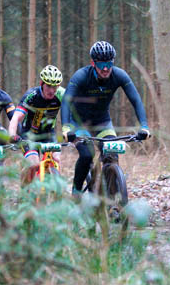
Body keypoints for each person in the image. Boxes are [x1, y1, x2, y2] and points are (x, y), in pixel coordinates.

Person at [60, 41, 150, 195]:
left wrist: (144, 126)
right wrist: (66, 127)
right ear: (93, 63)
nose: (106, 68)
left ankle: (113, 198)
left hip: (102, 121)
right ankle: (76, 192)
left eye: (109, 63)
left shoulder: (119, 75)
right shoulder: (81, 76)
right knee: (87, 155)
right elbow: (66, 101)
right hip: (79, 123)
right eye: (101, 65)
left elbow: (136, 100)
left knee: (111, 154)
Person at [9, 65, 65, 178]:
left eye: (55, 86)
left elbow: (73, 112)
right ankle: (25, 193)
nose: (52, 90)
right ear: (41, 83)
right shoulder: (32, 95)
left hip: (49, 133)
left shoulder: (62, 94)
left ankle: (55, 190)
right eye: (48, 86)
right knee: (33, 165)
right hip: (29, 134)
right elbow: (16, 118)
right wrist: (12, 135)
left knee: (56, 159)